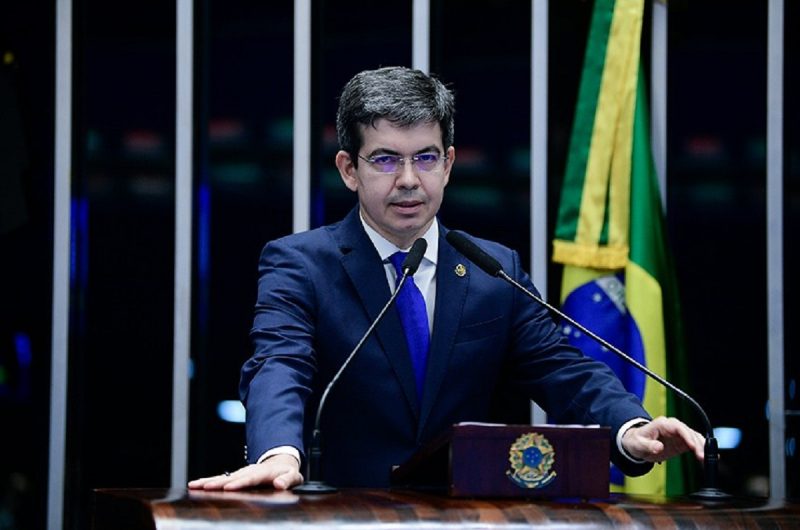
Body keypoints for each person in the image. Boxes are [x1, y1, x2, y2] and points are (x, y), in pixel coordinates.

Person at [189, 66, 705, 492]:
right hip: (343, 516)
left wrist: (631, 427)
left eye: (426, 158)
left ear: (449, 164)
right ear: (349, 169)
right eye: (386, 159)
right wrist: (279, 451)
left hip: (463, 518)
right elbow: (278, 364)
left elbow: (564, 370)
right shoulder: (301, 264)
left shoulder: (492, 270)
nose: (409, 180)